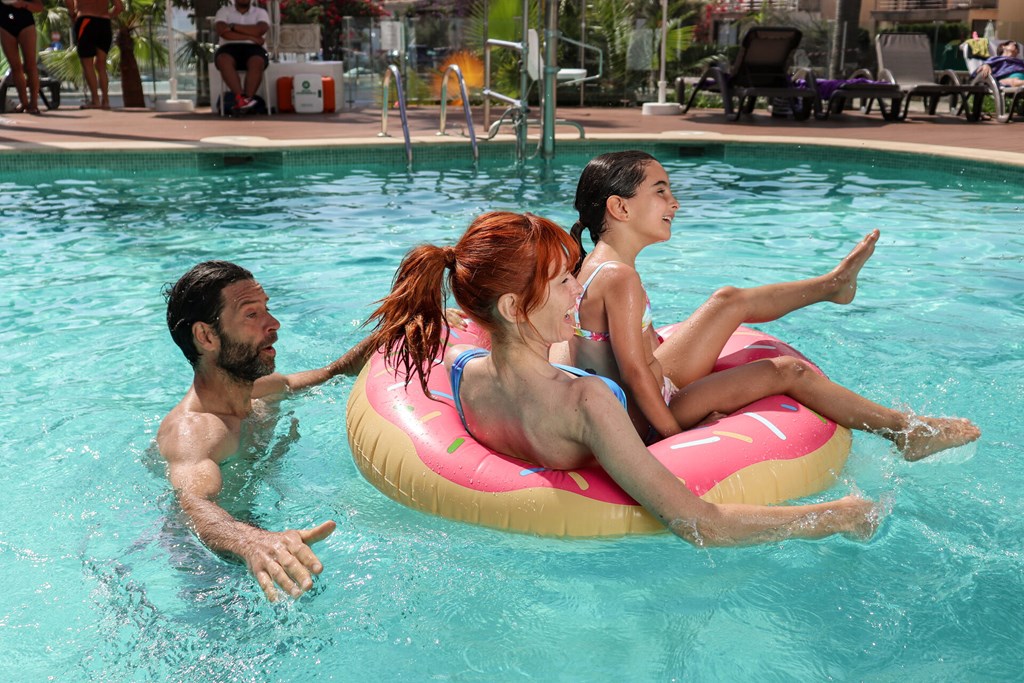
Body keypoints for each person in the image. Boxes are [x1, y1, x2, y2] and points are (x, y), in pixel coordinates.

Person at [367, 211, 883, 547]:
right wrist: (837, 514)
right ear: (511, 307)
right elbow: (701, 524)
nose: (578, 292)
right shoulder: (584, 401)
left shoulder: (463, 373)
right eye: (565, 281)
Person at [568, 150, 980, 461]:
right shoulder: (620, 277)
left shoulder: (596, 266)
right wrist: (675, 433)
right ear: (620, 207)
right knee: (788, 371)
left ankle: (833, 285)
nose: (674, 204)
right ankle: (904, 431)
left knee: (726, 300)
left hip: (645, 389)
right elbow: (637, 374)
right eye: (661, 193)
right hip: (641, 415)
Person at [158, 261, 374, 601]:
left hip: (260, 537)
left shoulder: (259, 388)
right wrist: (252, 541)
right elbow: (193, 502)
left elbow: (334, 372)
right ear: (206, 336)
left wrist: (396, 333)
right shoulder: (196, 430)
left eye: (267, 310)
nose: (273, 324)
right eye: (251, 314)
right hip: (205, 560)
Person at [213, 0, 270, 115]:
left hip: (254, 48)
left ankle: (247, 100)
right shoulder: (224, 11)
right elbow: (223, 32)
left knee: (257, 61)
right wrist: (251, 36)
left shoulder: (260, 12)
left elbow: (260, 30)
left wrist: (233, 26)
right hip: (229, 47)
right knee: (223, 59)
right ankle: (241, 99)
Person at [66, 0, 122, 109]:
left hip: (86, 20)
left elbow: (68, 2)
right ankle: (105, 101)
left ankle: (95, 100)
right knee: (101, 64)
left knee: (87, 64)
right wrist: (107, 15)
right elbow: (119, 7)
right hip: (104, 23)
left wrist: (73, 14)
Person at [0, 0, 43, 114]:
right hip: (4, 25)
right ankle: (24, 103)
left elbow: (39, 7)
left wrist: (24, 4)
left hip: (25, 23)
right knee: (15, 67)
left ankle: (33, 104)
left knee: (30, 65)